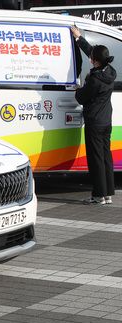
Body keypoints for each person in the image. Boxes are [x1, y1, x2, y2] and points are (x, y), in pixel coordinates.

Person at [71, 26, 116, 205]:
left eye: (92, 58)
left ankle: (98, 195)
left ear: (95, 62)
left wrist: (78, 89)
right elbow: (93, 53)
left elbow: (82, 98)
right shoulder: (110, 72)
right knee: (106, 156)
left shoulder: (95, 80)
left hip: (95, 123)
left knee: (96, 159)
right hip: (106, 121)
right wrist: (79, 38)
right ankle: (108, 194)